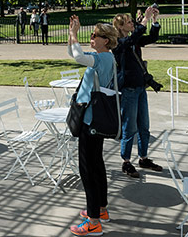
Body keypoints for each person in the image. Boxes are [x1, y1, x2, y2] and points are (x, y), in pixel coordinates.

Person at [66, 15, 119, 236]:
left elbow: (78, 55)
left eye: (95, 35)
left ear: (105, 40)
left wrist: (74, 34)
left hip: (91, 121)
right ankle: (100, 209)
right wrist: (72, 33)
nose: (91, 38)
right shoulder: (102, 56)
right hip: (93, 120)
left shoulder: (104, 58)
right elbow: (73, 53)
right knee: (96, 165)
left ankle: (94, 221)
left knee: (87, 170)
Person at [112, 6, 162, 178]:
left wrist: (154, 20)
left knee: (144, 126)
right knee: (129, 128)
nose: (132, 23)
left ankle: (143, 158)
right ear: (120, 27)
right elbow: (132, 39)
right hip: (129, 90)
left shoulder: (133, 41)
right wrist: (145, 19)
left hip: (140, 88)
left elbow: (151, 37)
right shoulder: (118, 44)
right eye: (129, 22)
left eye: (132, 21)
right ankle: (126, 162)